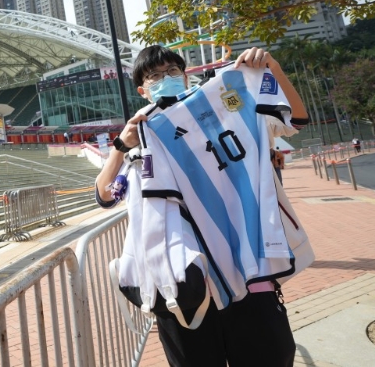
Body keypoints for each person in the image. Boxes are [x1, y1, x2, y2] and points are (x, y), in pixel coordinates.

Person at [96, 46, 312, 367]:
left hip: (250, 269)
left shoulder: (227, 104)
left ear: (185, 74)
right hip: (187, 288)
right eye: (155, 76)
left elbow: (297, 118)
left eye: (172, 71)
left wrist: (270, 67)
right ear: (143, 90)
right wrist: (120, 147)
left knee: (269, 356)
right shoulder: (141, 136)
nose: (165, 79)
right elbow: (105, 195)